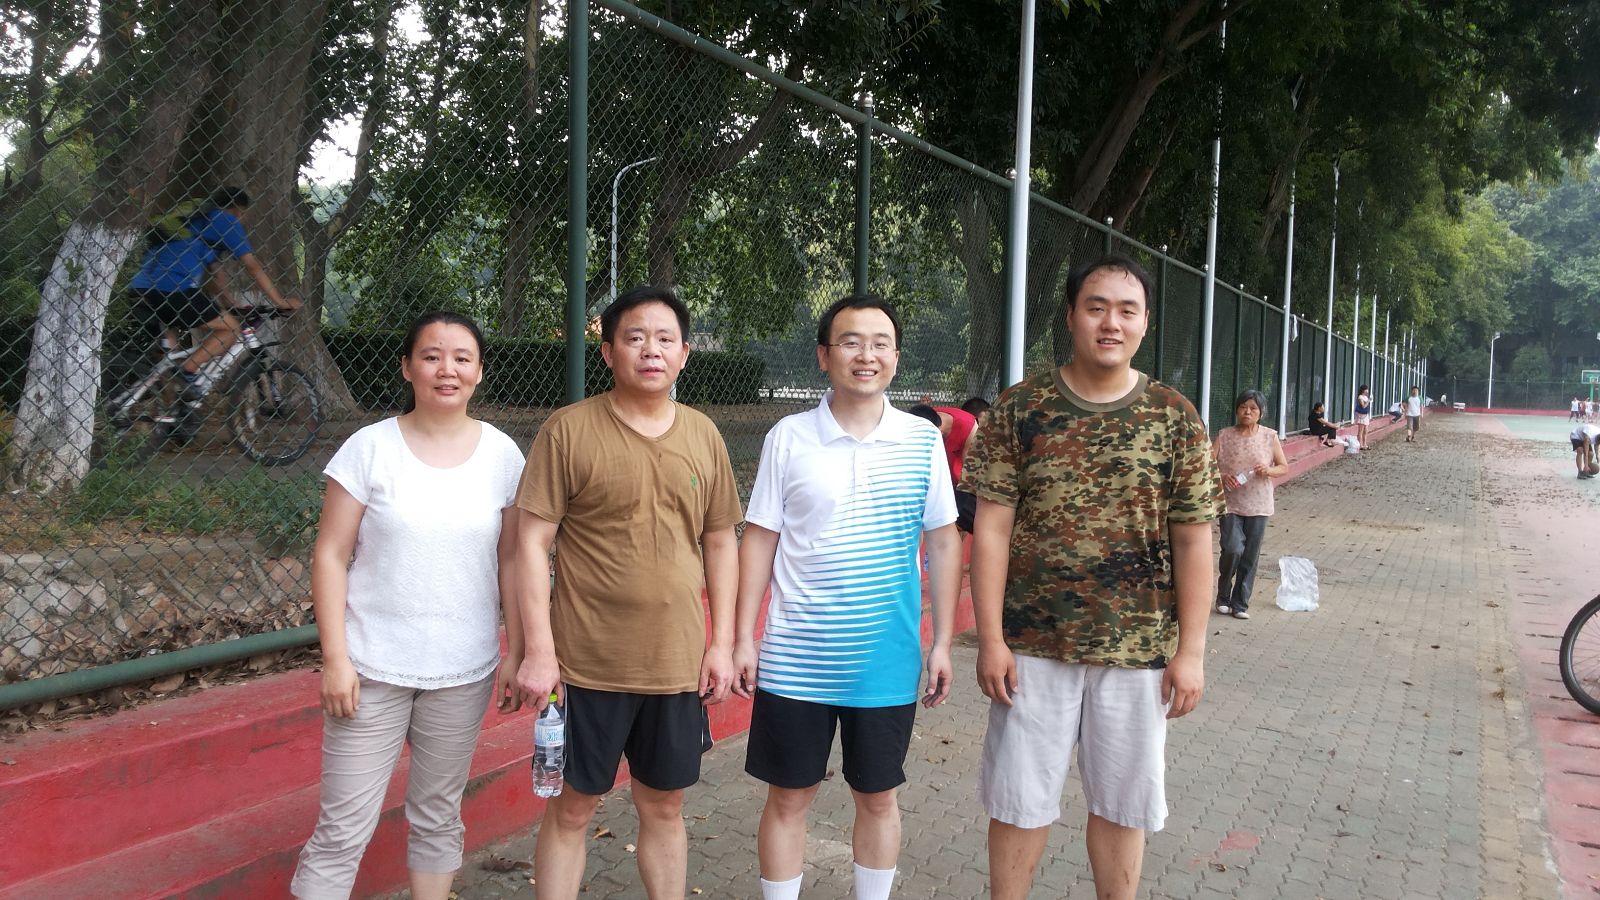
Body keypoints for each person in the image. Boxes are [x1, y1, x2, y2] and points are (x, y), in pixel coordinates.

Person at [960, 255, 1223, 900]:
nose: (1112, 323)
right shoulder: (1020, 409)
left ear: (1145, 323)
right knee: (1019, 801)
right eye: (1096, 307)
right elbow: (990, 529)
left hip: (1137, 651)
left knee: (1124, 804)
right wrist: (990, 639)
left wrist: (1191, 652)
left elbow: (1195, 540)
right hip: (1032, 646)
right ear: (1071, 316)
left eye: (1127, 310)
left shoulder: (1173, 416)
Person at [512, 286, 742, 900]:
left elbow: (721, 542)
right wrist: (538, 651)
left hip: (675, 664)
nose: (651, 350)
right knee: (572, 807)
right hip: (585, 665)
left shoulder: (704, 435)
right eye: (635, 338)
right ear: (608, 351)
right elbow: (531, 543)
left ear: (685, 354)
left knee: (664, 805)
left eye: (665, 339)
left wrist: (722, 644)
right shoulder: (567, 431)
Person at [291, 312, 528, 900]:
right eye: (431, 356)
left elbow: (512, 560)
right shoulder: (369, 448)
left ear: (479, 371)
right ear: (406, 367)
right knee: (342, 830)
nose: (447, 369)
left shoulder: (503, 456)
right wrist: (335, 660)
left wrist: (517, 651)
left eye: (462, 358)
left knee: (438, 816)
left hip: (463, 670)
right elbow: (330, 555)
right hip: (370, 669)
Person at [733, 296, 963, 900]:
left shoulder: (922, 440)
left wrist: (942, 642)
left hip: (885, 662)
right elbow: (759, 538)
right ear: (823, 355)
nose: (867, 355)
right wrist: (742, 639)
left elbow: (943, 541)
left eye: (881, 343)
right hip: (794, 659)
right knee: (788, 797)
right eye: (851, 342)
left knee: (878, 796)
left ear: (896, 356)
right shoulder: (788, 437)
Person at [128, 186, 300, 394]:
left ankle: (169, 407)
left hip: (141, 289)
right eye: (243, 214)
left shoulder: (197, 223)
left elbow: (215, 277)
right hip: (173, 289)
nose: (242, 219)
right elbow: (252, 266)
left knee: (170, 357)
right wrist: (280, 302)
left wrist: (231, 303)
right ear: (238, 210)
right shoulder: (225, 220)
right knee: (232, 329)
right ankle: (188, 373)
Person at [1212, 390, 1289, 620]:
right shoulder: (1224, 435)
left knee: (1250, 556)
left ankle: (1240, 603)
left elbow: (1283, 466)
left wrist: (1269, 470)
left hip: (1259, 504)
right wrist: (1222, 476)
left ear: (1261, 413)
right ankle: (1223, 596)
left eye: (1253, 408)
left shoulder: (1269, 436)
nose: (1247, 412)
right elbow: (1207, 464)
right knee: (1232, 549)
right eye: (1243, 407)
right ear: (1236, 410)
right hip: (1230, 503)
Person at [909, 402, 979, 532]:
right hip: (938, 479)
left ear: (938, 432)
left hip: (961, 481)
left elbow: (969, 474)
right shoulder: (922, 419)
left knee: (959, 510)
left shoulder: (967, 427)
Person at [1353, 385, 1373, 449]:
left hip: (1366, 415)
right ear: (1363, 390)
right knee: (1361, 430)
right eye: (1366, 389)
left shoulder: (1366, 397)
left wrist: (1369, 400)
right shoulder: (1360, 397)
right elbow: (1363, 406)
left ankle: (1365, 444)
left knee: (1366, 430)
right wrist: (1369, 401)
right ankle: (1360, 445)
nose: (1367, 390)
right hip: (1361, 415)